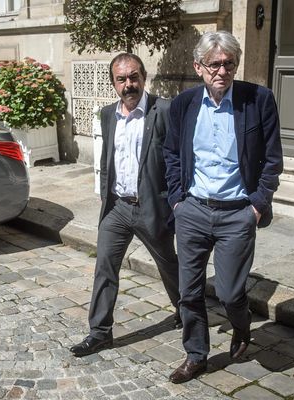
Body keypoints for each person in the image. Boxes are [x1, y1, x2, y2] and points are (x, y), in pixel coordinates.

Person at [163, 31, 283, 383]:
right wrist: (176, 201)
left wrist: (257, 206)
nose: (222, 70)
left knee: (231, 293)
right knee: (189, 291)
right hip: (193, 211)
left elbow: (273, 160)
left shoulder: (258, 99)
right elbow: (171, 154)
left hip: (237, 213)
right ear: (199, 67)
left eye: (229, 63)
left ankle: (242, 327)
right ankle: (196, 355)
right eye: (214, 64)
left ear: (236, 65)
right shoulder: (184, 104)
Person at [69, 53, 181, 357]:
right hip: (117, 208)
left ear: (144, 77)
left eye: (134, 77)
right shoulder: (107, 115)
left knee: (169, 266)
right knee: (104, 266)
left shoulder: (165, 111)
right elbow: (108, 160)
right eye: (121, 79)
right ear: (113, 83)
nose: (128, 84)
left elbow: (178, 162)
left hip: (152, 209)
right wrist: (104, 191)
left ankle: (186, 310)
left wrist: (174, 204)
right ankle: (100, 332)